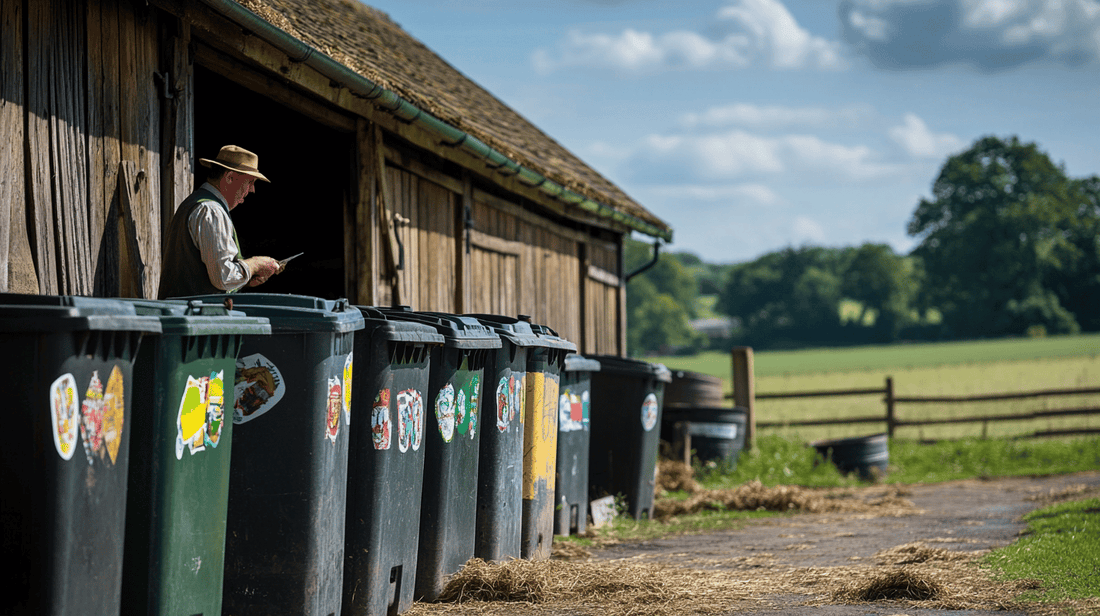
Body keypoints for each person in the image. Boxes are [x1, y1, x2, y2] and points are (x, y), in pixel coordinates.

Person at [159, 145, 282, 299]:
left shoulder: (198, 204)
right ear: (230, 177)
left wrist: (245, 278)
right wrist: (255, 264)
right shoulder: (211, 211)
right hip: (194, 317)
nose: (252, 190)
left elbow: (214, 274)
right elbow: (224, 277)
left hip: (184, 314)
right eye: (250, 182)